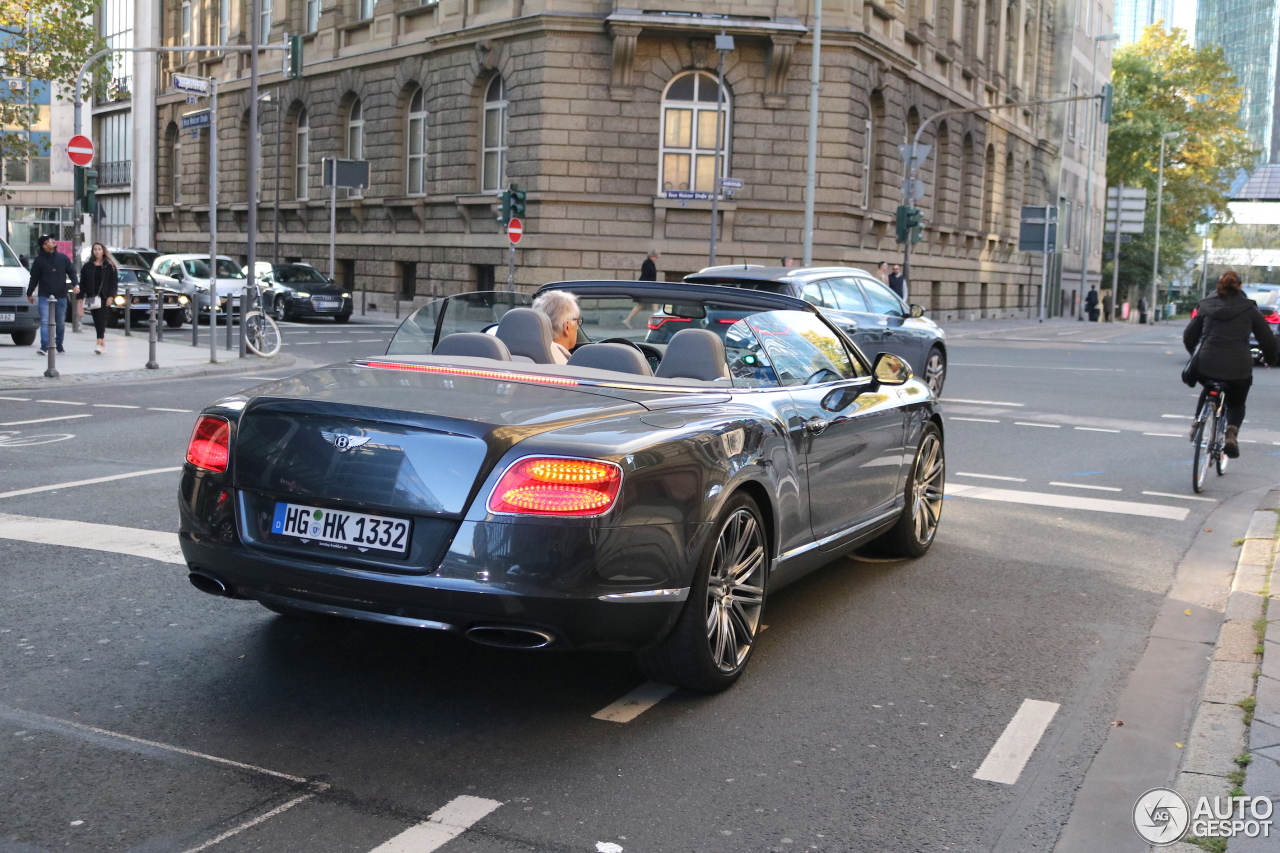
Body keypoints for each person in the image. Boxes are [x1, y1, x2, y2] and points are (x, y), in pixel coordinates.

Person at [1183, 270, 1278, 458]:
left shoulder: (1206, 305)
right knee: (1236, 402)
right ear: (1240, 286)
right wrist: (1270, 359)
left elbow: (1189, 336)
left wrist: (1195, 352)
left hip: (1205, 364)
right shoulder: (1249, 309)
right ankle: (1231, 434)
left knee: (1209, 385)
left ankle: (1197, 423)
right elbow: (1267, 340)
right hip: (1237, 367)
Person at [26, 234, 79, 355]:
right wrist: (29, 293)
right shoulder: (39, 260)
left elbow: (71, 272)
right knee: (44, 321)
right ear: (44, 246)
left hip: (60, 295)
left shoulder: (63, 258)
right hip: (45, 295)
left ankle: (59, 343)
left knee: (60, 322)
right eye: (49, 241)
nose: (52, 241)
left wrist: (76, 284)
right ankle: (45, 345)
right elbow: (34, 278)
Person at [80, 243, 119, 355]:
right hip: (91, 297)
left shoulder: (108, 265)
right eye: (95, 249)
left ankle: (98, 343)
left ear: (103, 251)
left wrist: (111, 296)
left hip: (104, 296)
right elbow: (82, 282)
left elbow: (113, 282)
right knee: (96, 319)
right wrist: (80, 296)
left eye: (99, 249)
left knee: (101, 318)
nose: (97, 251)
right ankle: (103, 344)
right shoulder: (88, 266)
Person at [532, 289, 581, 365]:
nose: (577, 327)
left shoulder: (515, 357)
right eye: (577, 321)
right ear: (566, 327)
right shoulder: (573, 366)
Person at [624, 251, 660, 328]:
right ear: (652, 256)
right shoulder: (647, 263)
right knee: (652, 303)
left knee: (643, 304)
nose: (656, 258)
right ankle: (655, 321)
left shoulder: (650, 263)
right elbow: (645, 276)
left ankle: (628, 320)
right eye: (656, 257)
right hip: (647, 287)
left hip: (648, 287)